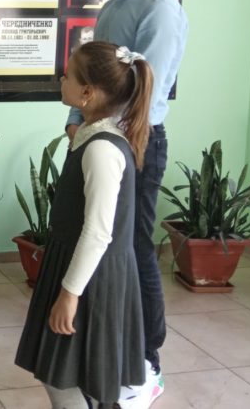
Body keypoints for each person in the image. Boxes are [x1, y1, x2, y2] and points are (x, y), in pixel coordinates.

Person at [65, 0, 188, 408]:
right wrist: (76, 122)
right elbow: (96, 79)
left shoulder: (160, 10)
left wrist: (105, 137)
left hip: (134, 143)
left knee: (135, 248)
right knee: (102, 241)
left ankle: (147, 360)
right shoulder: (117, 3)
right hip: (98, 136)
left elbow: (140, 91)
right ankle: (112, 345)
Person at [17, 41, 154, 408]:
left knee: (62, 377)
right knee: (61, 370)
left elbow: (97, 232)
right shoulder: (89, 137)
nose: (62, 80)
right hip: (74, 267)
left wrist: (69, 293)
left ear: (87, 93)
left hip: (90, 279)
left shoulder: (102, 149)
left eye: (68, 75)